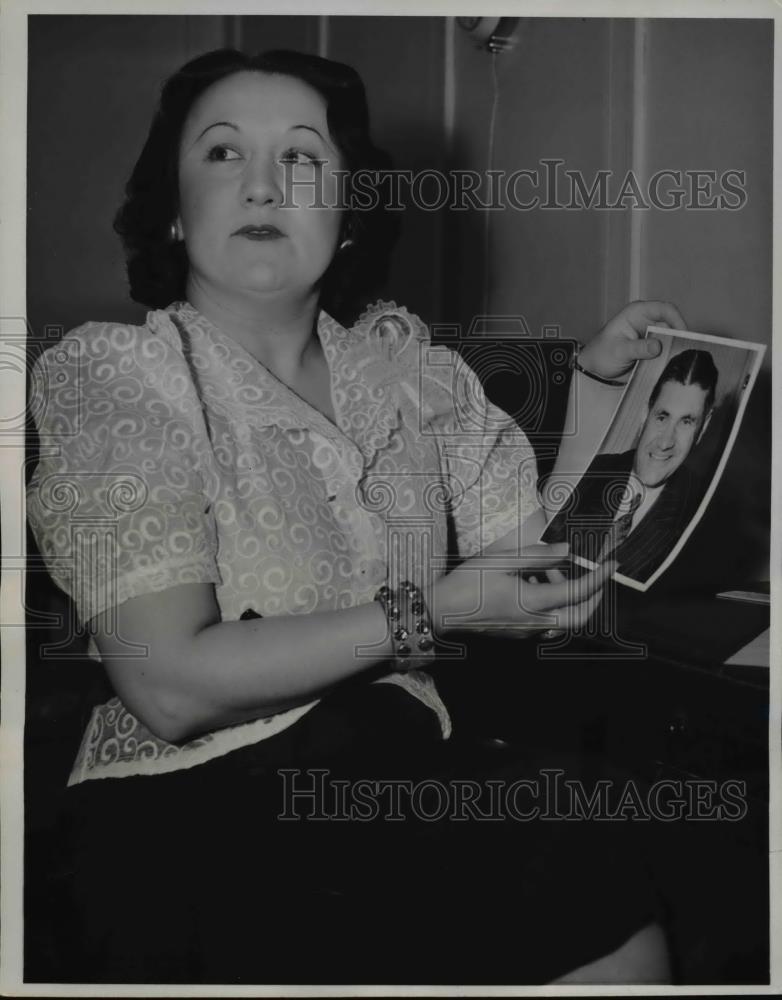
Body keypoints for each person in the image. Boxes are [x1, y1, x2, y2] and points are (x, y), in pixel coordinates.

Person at [26, 47, 688, 985]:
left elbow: (539, 567)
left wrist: (607, 397)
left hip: (395, 769)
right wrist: (439, 613)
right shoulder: (118, 377)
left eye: (301, 158)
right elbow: (169, 689)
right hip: (193, 809)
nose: (262, 183)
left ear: (347, 217)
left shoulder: (411, 373)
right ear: (175, 211)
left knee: (594, 841)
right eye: (221, 154)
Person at [544, 348, 717, 582]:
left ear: (703, 427)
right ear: (646, 413)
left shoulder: (703, 516)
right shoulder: (593, 469)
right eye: (662, 417)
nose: (665, 442)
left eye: (686, 422)